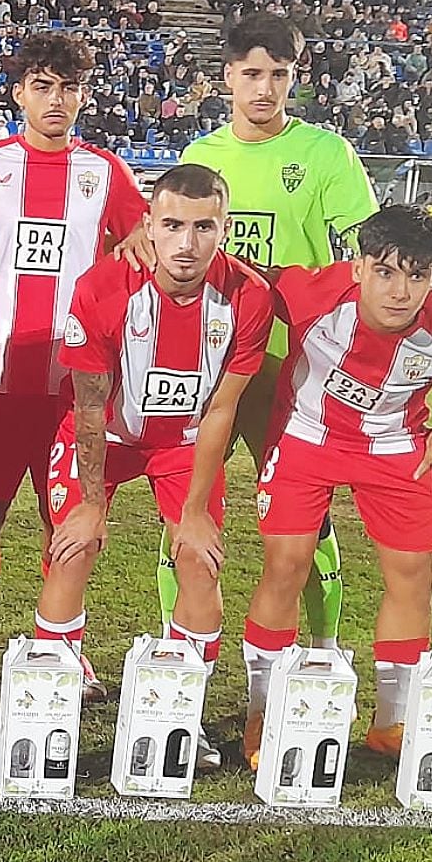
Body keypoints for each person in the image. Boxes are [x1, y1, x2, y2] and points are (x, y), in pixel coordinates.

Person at [241, 204, 432, 765]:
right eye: (386, 272)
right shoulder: (313, 294)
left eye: (417, 275)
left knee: (412, 574)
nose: (401, 291)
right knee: (285, 566)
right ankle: (264, 709)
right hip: (305, 439)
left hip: (397, 449)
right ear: (359, 267)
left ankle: (391, 723)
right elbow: (255, 279)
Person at [0, 32, 150, 689]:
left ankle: (64, 642)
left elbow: (138, 245)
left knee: (71, 515)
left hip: (74, 389)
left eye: (68, 87)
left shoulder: (105, 173)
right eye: (42, 86)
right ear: (20, 91)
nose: (56, 100)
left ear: (82, 95)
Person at [45, 165, 274, 766]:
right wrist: (92, 503)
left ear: (225, 229)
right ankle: (53, 697)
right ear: (148, 224)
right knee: (73, 547)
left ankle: (180, 714)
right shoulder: (103, 288)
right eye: (171, 225)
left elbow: (223, 405)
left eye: (203, 227)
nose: (186, 243)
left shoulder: (249, 297)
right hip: (107, 436)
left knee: (200, 561)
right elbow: (89, 403)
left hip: (183, 444)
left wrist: (195, 511)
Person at [180, 12, 378, 653]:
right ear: (228, 77)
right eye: (252, 74)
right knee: (187, 512)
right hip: (205, 365)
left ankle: (321, 655)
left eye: (279, 75)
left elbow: (365, 246)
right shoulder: (202, 157)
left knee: (305, 522)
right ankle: (183, 658)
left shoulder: (325, 154)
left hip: (291, 368)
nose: (264, 88)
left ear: (295, 78)